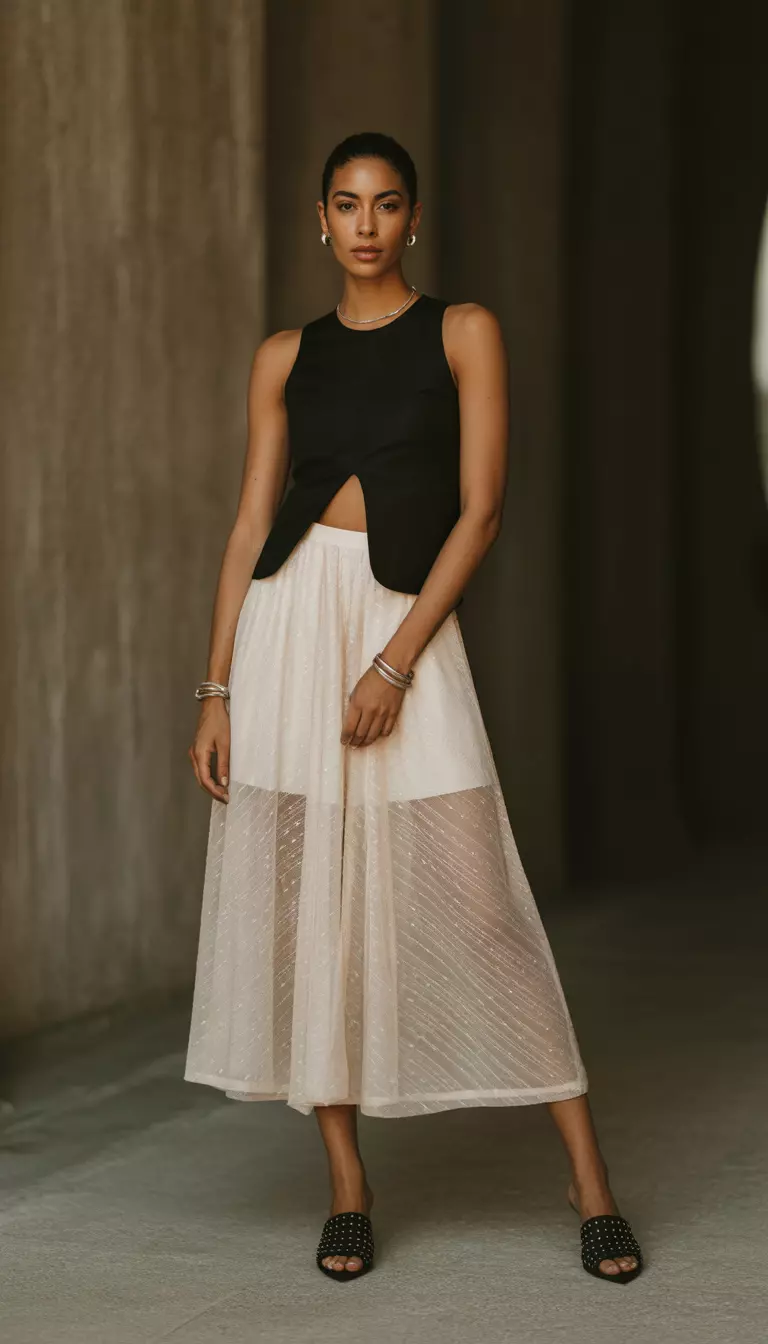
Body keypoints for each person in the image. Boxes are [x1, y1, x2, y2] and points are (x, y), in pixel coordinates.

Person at [184, 131, 643, 1286]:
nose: (367, 224)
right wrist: (215, 688)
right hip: (290, 629)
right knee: (308, 911)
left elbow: (479, 513)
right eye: (346, 205)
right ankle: (348, 1186)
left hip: (403, 626)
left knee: (478, 901)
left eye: (388, 205)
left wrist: (393, 663)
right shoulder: (284, 354)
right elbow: (249, 528)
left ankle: (592, 1188)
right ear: (321, 223)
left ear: (416, 220)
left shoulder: (464, 331)